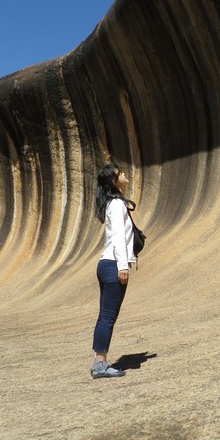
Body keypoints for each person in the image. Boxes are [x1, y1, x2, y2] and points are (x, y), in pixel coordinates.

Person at [91, 162, 137, 378]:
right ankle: (100, 364)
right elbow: (119, 236)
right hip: (112, 265)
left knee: (106, 316)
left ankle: (99, 361)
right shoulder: (117, 204)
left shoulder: (113, 203)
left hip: (106, 264)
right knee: (108, 317)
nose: (124, 174)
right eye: (120, 173)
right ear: (113, 181)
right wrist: (122, 265)